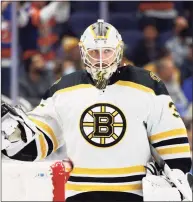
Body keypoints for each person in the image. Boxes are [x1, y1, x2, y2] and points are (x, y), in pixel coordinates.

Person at [2, 19, 192, 201]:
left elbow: (171, 141)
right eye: (94, 52)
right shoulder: (63, 89)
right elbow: (38, 142)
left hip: (134, 194)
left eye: (107, 51)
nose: (101, 59)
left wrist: (177, 174)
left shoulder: (147, 85)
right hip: (79, 193)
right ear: (83, 52)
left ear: (118, 51)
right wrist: (14, 135)